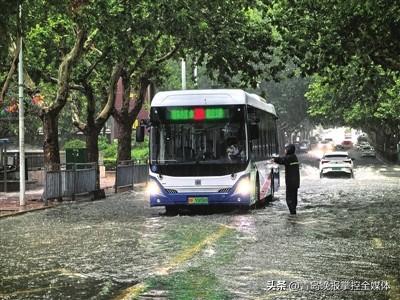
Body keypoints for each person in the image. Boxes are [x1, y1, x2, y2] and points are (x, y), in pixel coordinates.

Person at [273, 144, 300, 215]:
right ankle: (293, 213)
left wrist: (274, 159)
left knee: (289, 199)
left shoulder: (290, 158)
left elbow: (282, 160)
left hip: (290, 183)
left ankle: (292, 213)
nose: (285, 150)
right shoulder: (294, 157)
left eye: (286, 149)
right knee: (294, 199)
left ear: (289, 150)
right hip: (295, 183)